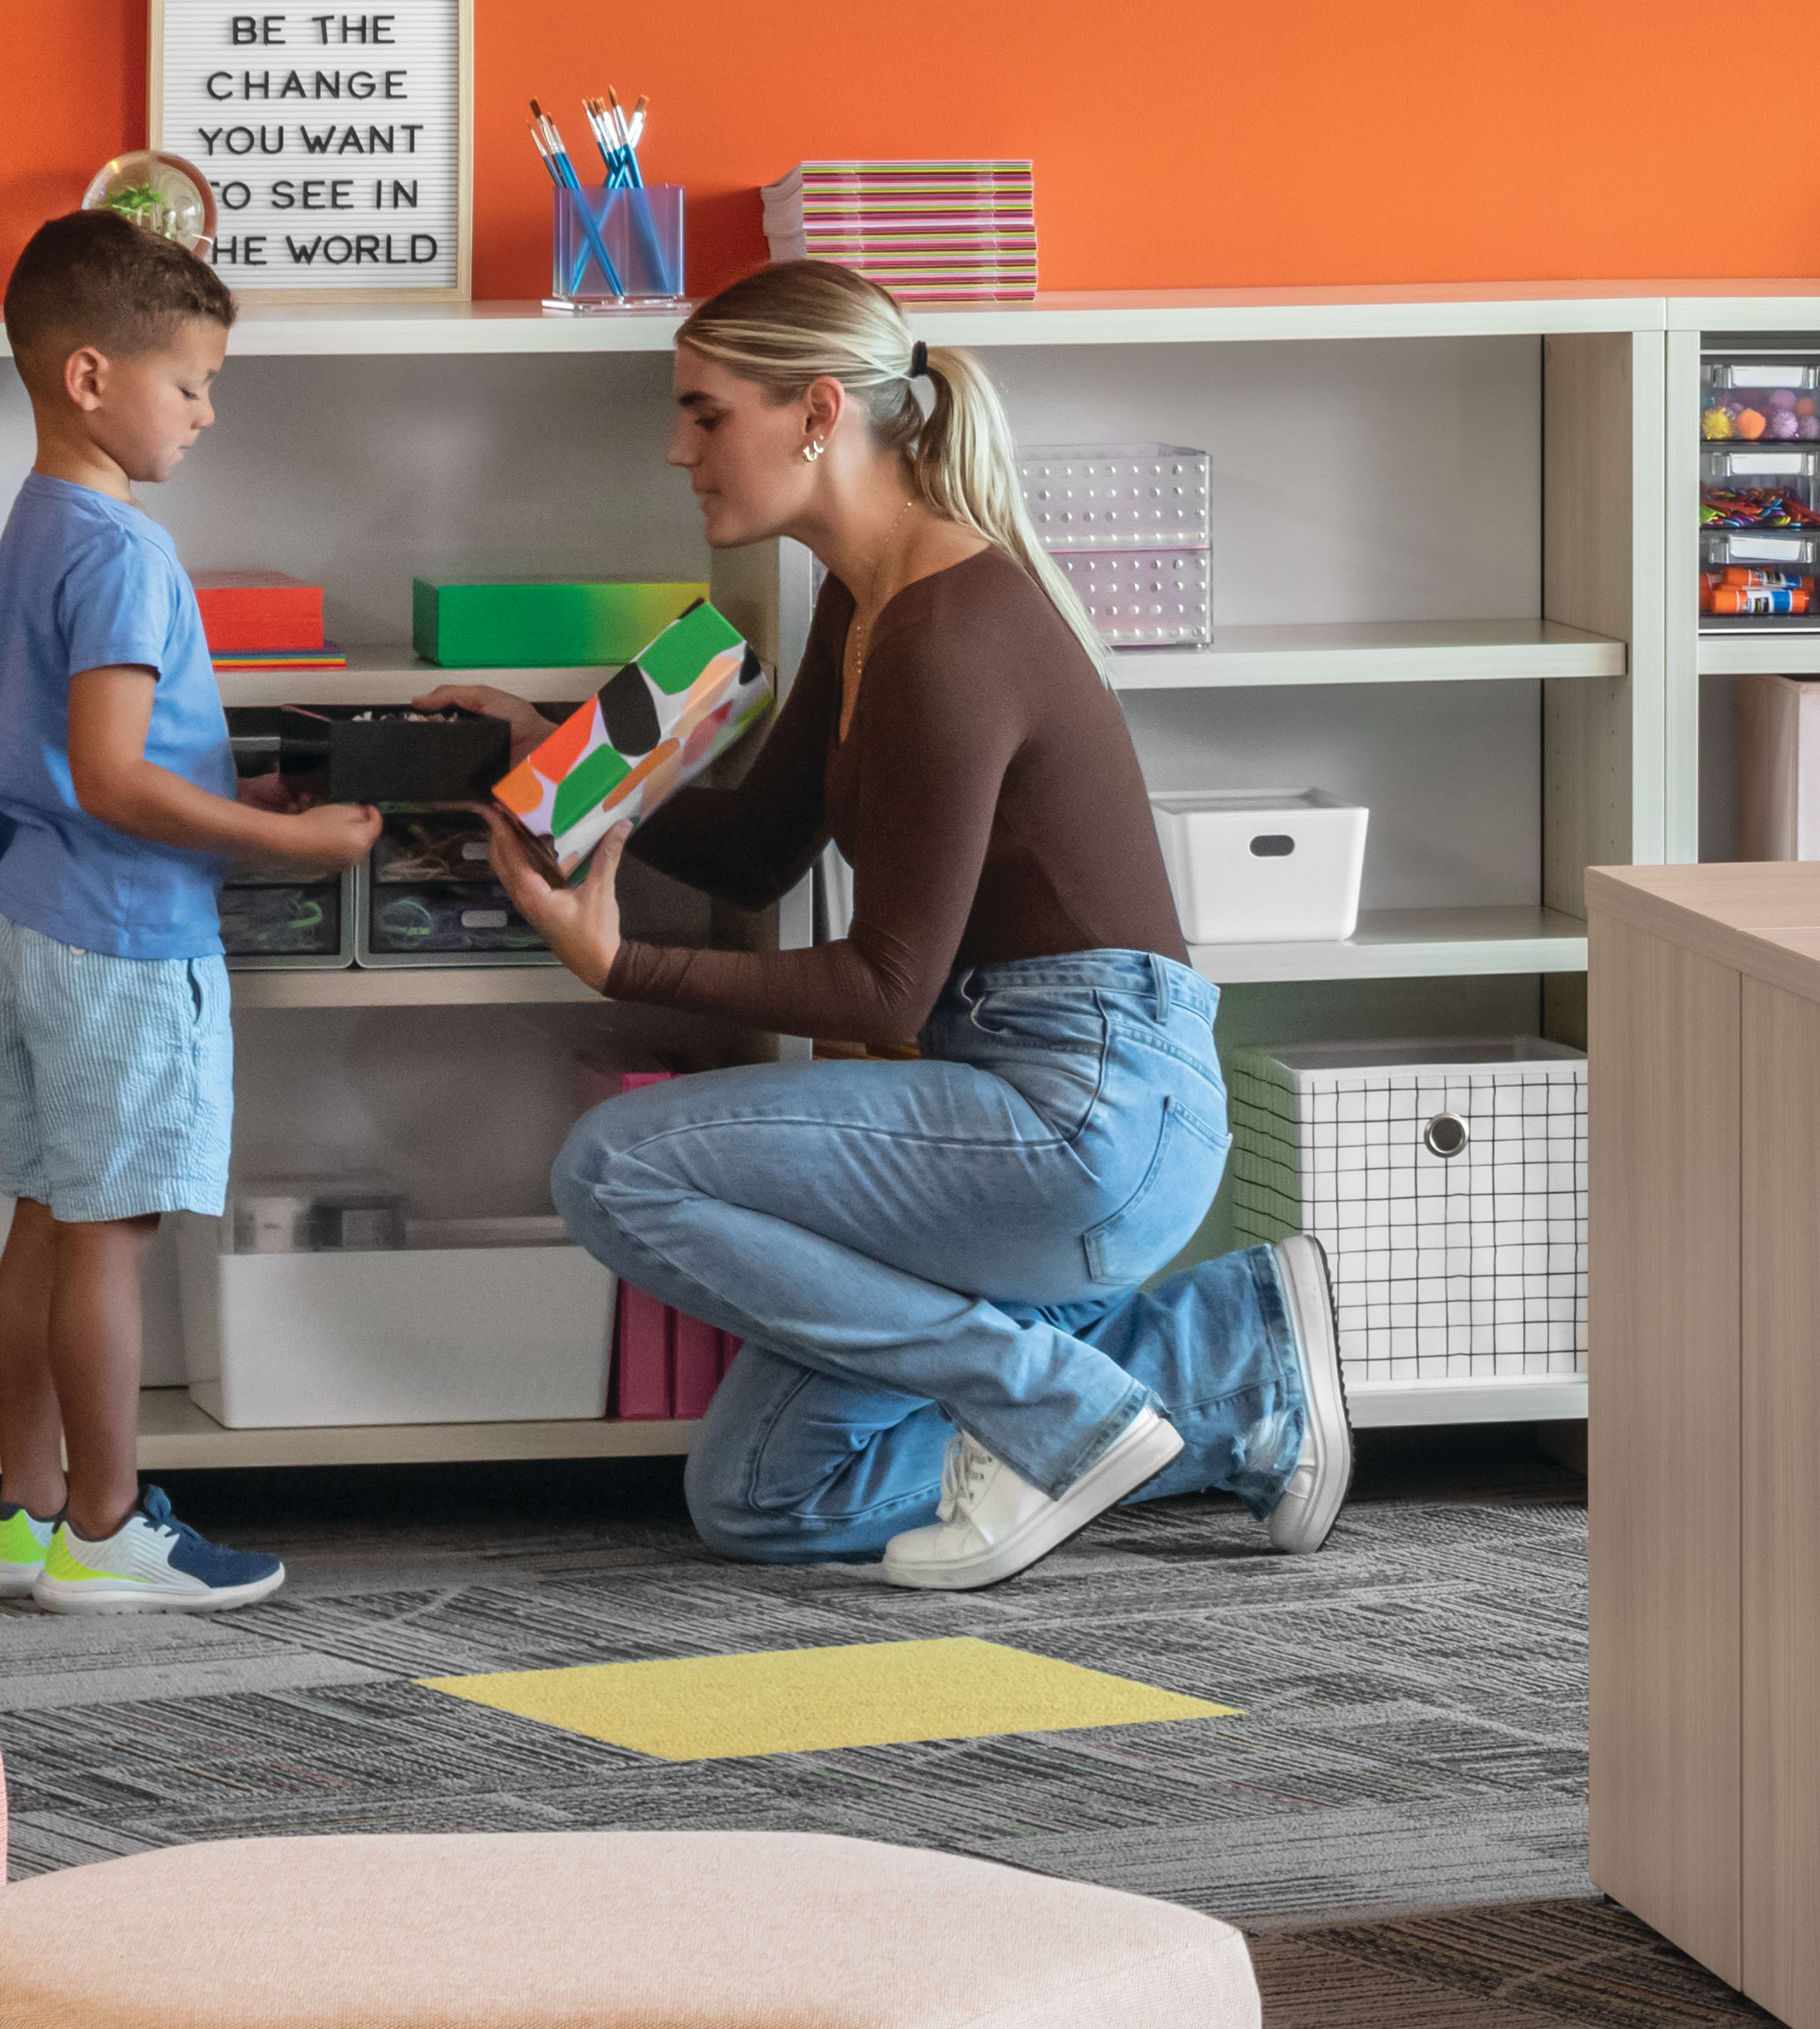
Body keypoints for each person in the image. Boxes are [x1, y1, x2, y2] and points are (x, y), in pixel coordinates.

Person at [454, 260, 1352, 1589]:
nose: (678, 450)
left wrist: (621, 963)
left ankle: (1059, 1404)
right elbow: (759, 849)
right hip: (1016, 1103)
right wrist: (550, 754)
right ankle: (1230, 1362)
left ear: (819, 413)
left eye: (706, 414)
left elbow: (883, 990)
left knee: (614, 1169)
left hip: (1084, 1115)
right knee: (765, 1495)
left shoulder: (949, 635)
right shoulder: (865, 601)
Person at [0, 211, 382, 1611]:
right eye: (191, 383)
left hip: (27, 919)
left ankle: (22, 1515)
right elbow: (113, 777)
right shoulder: (129, 553)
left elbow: (82, 752)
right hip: (123, 943)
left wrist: (236, 783)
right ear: (91, 378)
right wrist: (284, 838)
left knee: (44, 1217)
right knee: (114, 1232)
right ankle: (105, 1530)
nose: (206, 412)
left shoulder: (36, 523)